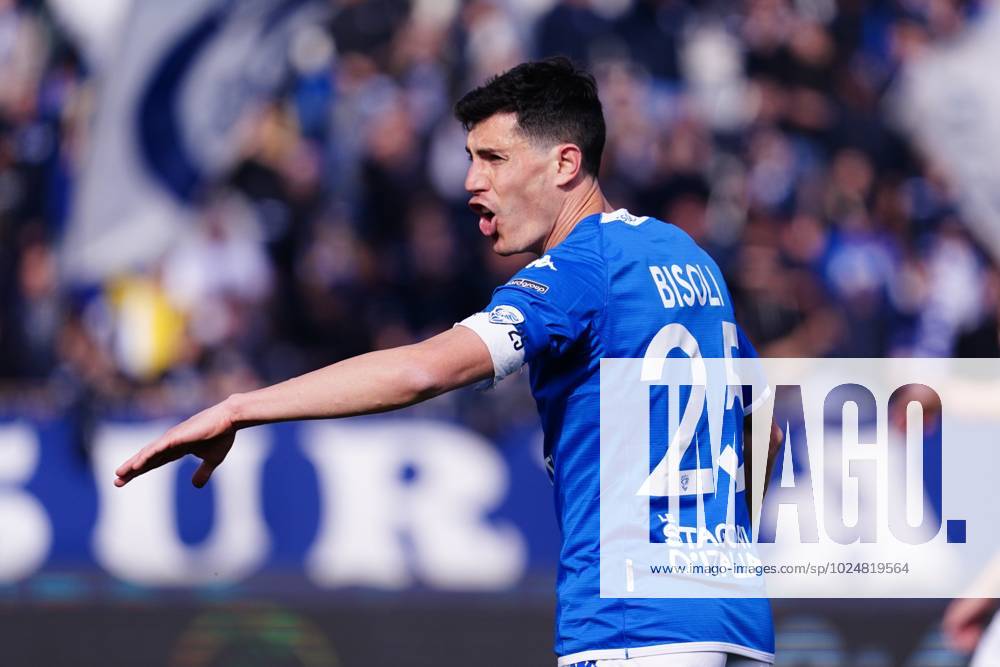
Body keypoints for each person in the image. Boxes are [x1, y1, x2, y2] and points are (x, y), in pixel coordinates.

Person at [114, 57, 782, 667]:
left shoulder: (578, 274)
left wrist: (242, 405)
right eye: (469, 158)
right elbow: (765, 430)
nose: (471, 182)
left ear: (564, 164)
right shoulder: (686, 258)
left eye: (492, 157)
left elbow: (422, 370)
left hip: (633, 627)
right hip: (735, 624)